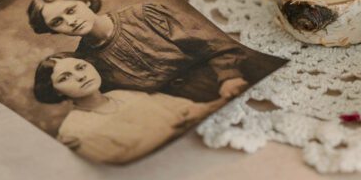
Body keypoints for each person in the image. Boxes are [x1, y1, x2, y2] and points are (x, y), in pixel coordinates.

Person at [27, 0, 249, 103]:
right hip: (178, 114)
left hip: (229, 83)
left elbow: (216, 45)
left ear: (85, 1)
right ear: (53, 31)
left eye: (71, 10)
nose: (71, 21)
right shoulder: (87, 62)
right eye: (58, 21)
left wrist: (229, 78)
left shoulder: (143, 14)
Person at [34, 53, 221, 164]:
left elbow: (191, 108)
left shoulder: (123, 94)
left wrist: (219, 103)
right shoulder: (73, 130)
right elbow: (122, 161)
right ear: (55, 91)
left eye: (81, 67)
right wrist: (175, 127)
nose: (80, 77)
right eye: (64, 78)